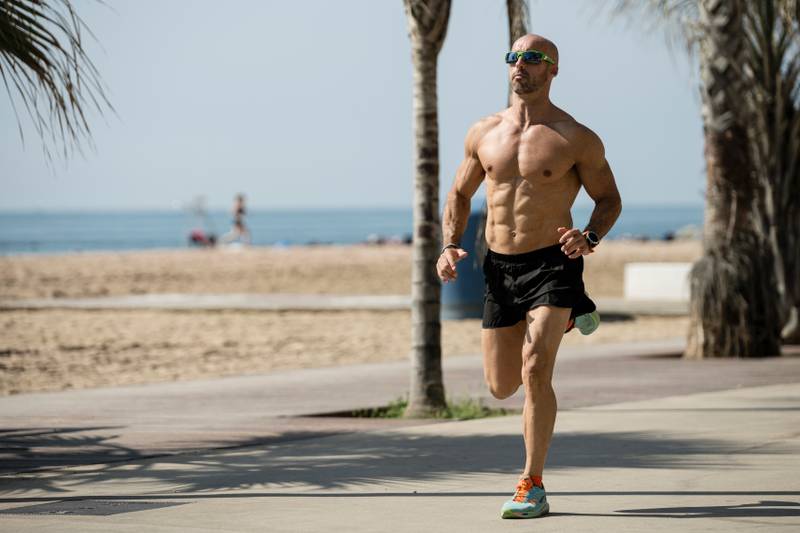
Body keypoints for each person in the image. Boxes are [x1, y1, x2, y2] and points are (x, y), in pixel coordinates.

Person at [436, 34, 621, 519]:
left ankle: (531, 483)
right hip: (500, 267)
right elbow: (458, 194)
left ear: (553, 70)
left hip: (553, 263)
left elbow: (609, 199)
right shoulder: (484, 132)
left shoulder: (573, 136)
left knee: (535, 369)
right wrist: (450, 243)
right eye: (514, 57)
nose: (521, 65)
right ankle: (563, 318)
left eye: (534, 58)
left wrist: (590, 237)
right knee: (500, 386)